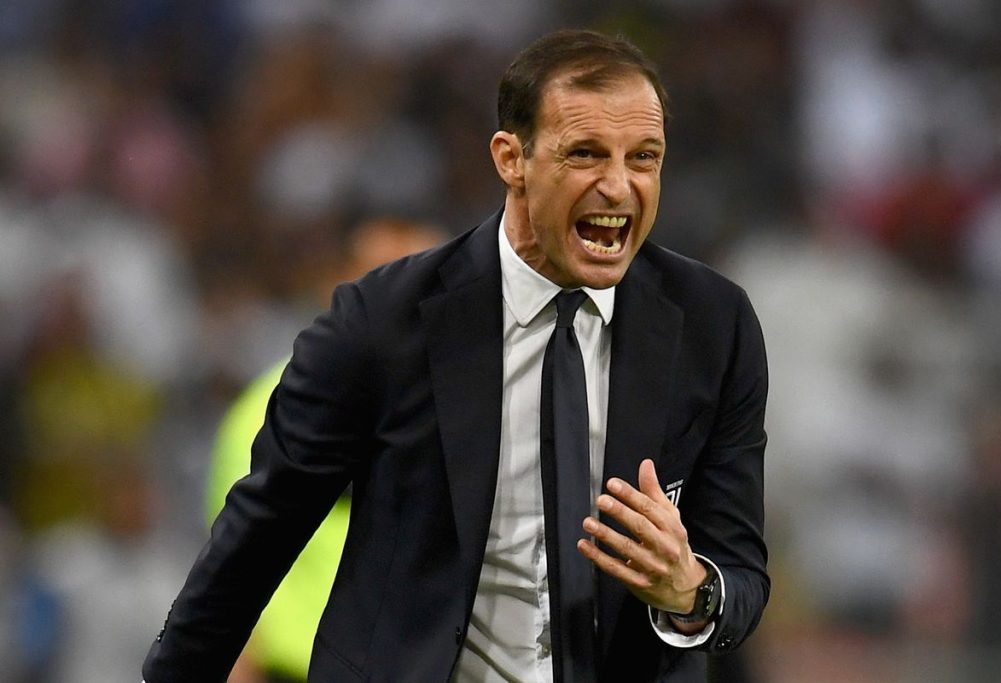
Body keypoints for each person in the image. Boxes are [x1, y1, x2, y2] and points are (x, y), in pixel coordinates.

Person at [143, 29, 769, 682]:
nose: (618, 186)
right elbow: (248, 554)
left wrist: (692, 589)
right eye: (585, 154)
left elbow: (742, 579)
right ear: (511, 159)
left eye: (644, 158)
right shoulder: (382, 324)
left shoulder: (714, 327)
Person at [207, 219, 445, 683]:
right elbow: (228, 570)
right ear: (340, 289)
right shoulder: (269, 410)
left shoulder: (477, 408)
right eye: (388, 280)